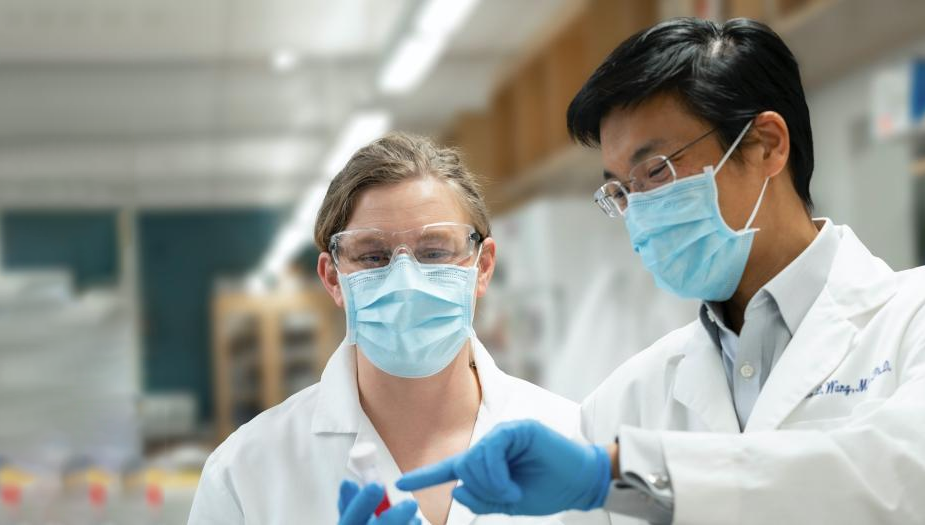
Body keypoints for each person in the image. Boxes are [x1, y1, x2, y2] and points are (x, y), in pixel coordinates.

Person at [395, 17, 925, 525]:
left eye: (657, 171)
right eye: (622, 190)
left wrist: (622, 474)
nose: (640, 210)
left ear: (766, 144)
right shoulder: (623, 403)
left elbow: (900, 474)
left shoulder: (908, 323)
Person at [187, 132, 591, 525]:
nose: (406, 280)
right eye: (373, 256)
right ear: (332, 278)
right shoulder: (245, 471)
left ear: (482, 267)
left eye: (434, 252)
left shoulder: (570, 440)